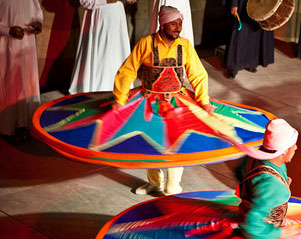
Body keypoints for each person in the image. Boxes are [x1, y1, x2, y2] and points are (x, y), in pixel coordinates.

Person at [112, 5, 214, 195]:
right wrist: (120, 98)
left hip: (176, 101)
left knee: (174, 142)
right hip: (149, 101)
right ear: (163, 24)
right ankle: (155, 183)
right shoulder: (145, 43)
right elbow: (127, 70)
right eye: (173, 24)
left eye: (180, 24)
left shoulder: (185, 46)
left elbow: (198, 74)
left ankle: (172, 186)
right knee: (151, 141)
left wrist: (204, 101)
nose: (178, 28)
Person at [236, 118, 300, 239]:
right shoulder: (273, 186)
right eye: (293, 146)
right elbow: (252, 225)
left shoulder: (261, 158)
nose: (296, 148)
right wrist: (279, 233)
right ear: (285, 150)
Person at [69, 0, 134, 94]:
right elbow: (84, 1)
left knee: (118, 55)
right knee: (102, 57)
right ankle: (101, 89)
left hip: (117, 16)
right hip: (100, 17)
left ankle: (120, 87)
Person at [0, 0, 43, 140]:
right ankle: (9, 125)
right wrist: (7, 30)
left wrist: (38, 23)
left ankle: (26, 123)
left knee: (27, 83)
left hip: (27, 44)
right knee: (9, 83)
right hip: (6, 44)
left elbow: (37, 11)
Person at [224, 0, 274, 79]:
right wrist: (234, 4)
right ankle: (233, 67)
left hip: (259, 4)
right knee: (239, 35)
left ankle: (251, 63)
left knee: (254, 33)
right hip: (242, 4)